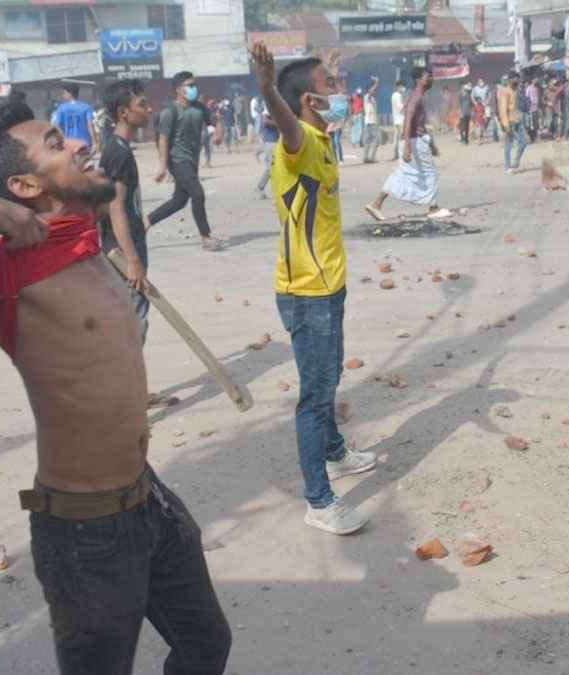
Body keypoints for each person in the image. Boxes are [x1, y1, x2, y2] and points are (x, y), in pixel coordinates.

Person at [0, 100, 232, 675]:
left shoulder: (86, 240)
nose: (77, 143)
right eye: (56, 145)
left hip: (149, 500)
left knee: (205, 646)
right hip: (85, 531)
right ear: (24, 184)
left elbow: (108, 196)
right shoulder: (10, 267)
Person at [250, 43, 377, 535]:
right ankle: (319, 501)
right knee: (316, 396)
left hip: (330, 284)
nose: (338, 90)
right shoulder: (298, 137)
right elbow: (284, 123)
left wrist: (330, 66)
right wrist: (266, 88)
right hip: (307, 293)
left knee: (329, 380)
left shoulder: (322, 139)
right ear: (308, 100)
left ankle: (336, 453)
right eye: (329, 85)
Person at [99, 79, 153, 342]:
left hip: (127, 243)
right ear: (123, 112)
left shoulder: (117, 148)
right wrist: (132, 261)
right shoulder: (119, 153)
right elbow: (115, 208)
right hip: (124, 251)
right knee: (134, 323)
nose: (149, 109)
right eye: (141, 105)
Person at [365, 67, 452, 221]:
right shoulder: (416, 96)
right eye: (427, 76)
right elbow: (408, 120)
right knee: (430, 173)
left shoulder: (416, 95)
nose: (430, 79)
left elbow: (418, 123)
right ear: (418, 79)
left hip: (415, 140)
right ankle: (433, 208)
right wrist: (406, 147)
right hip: (413, 142)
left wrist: (431, 145)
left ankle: (376, 203)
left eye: (431, 76)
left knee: (403, 174)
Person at [147, 71, 220, 251]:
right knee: (197, 193)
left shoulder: (200, 108)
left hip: (192, 160)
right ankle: (206, 237)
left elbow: (217, 121)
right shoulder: (169, 112)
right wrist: (163, 166)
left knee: (179, 200)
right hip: (177, 160)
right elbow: (162, 139)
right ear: (179, 90)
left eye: (194, 85)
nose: (194, 88)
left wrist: (219, 134)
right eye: (190, 85)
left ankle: (146, 221)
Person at [51, 83, 99, 152]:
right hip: (85, 143)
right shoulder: (86, 107)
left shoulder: (61, 108)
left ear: (70, 93)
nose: (63, 95)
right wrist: (94, 142)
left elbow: (57, 125)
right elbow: (90, 125)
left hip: (69, 144)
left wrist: (63, 139)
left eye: (64, 93)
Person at [498, 74, 527, 174]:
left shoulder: (516, 91)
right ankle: (507, 167)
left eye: (518, 79)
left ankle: (516, 161)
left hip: (518, 120)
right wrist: (506, 125)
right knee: (508, 145)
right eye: (514, 79)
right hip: (509, 122)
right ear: (510, 80)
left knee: (524, 142)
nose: (516, 81)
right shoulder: (505, 92)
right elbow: (502, 110)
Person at [255, 112, 279, 198]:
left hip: (274, 142)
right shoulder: (269, 109)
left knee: (275, 167)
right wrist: (279, 123)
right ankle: (260, 186)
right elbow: (265, 121)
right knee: (271, 168)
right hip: (271, 143)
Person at [362, 77, 382, 163]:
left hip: (372, 122)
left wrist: (378, 121)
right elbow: (370, 93)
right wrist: (376, 83)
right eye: (372, 89)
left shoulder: (373, 99)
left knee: (369, 141)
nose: (374, 91)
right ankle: (370, 158)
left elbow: (374, 112)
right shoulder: (367, 97)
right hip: (370, 123)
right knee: (376, 141)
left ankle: (367, 158)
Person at [391, 79, 407, 160]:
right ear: (398, 87)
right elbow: (400, 107)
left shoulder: (395, 95)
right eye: (402, 86)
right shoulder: (397, 95)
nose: (404, 88)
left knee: (397, 138)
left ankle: (396, 155)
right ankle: (400, 154)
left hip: (396, 119)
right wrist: (406, 105)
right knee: (401, 138)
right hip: (400, 120)